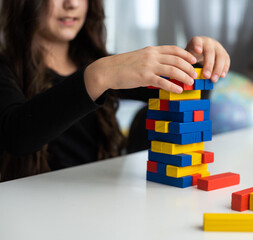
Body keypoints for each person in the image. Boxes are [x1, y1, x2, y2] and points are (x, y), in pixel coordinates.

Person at [0, 0, 230, 182]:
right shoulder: (6, 69)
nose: (72, 3)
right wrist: (98, 76)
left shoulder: (97, 61)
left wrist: (196, 66)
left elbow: (179, 99)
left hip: (104, 202)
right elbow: (16, 136)